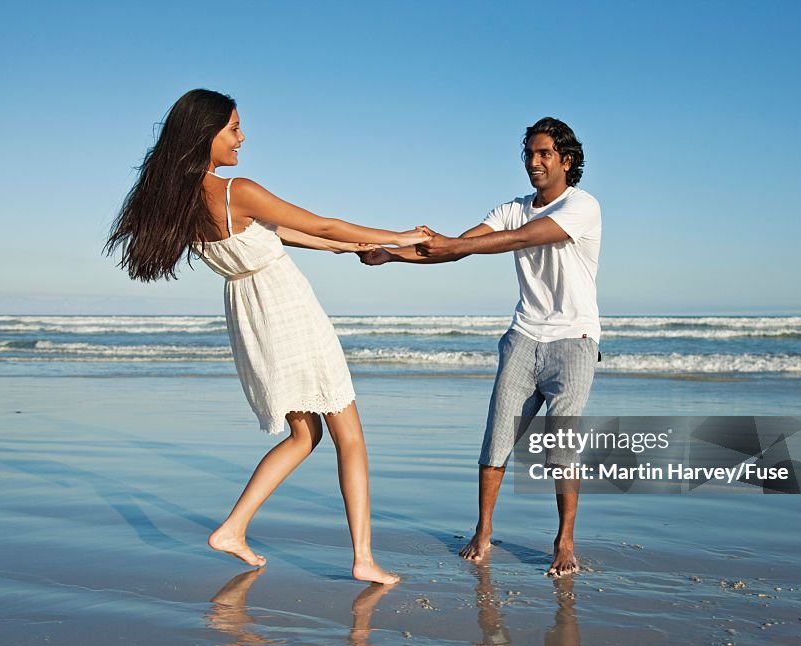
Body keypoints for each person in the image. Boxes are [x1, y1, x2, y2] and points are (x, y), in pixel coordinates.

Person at [105, 89, 428, 584]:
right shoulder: (238, 190)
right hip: (290, 312)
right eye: (233, 128)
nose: (242, 137)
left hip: (253, 320)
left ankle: (233, 528)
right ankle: (362, 557)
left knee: (306, 435)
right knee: (351, 437)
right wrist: (399, 236)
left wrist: (358, 247)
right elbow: (323, 222)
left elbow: (291, 236)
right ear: (203, 135)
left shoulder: (182, 204)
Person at [359, 117, 601, 576]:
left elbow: (523, 237)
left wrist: (453, 242)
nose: (534, 161)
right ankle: (483, 531)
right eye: (529, 152)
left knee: (562, 446)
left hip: (575, 340)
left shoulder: (583, 206)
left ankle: (564, 540)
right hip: (523, 337)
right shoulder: (511, 207)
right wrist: (392, 254)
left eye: (544, 153)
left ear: (566, 160)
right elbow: (458, 248)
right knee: (495, 441)